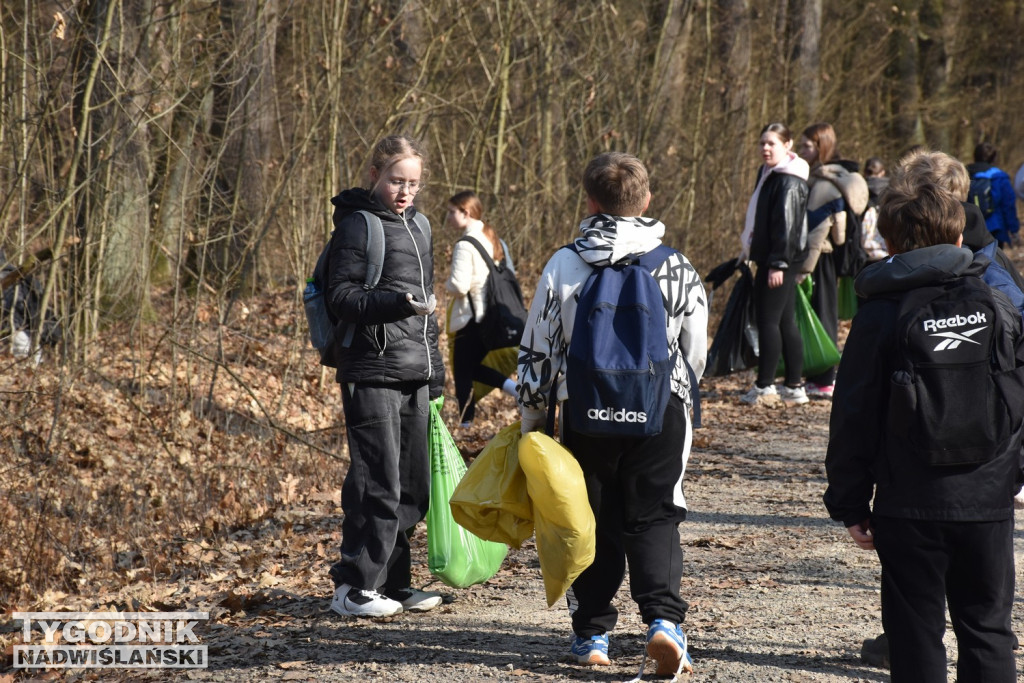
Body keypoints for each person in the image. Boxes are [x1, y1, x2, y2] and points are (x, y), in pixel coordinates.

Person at [824, 150, 1023, 682]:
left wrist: (848, 501)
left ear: (890, 245)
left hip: (907, 501)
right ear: (958, 238)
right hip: (986, 499)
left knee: (915, 636)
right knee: (988, 630)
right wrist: (1015, 473)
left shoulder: (879, 314)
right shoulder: (998, 303)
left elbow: (853, 413)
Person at [517, 152, 708, 675]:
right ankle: (664, 623)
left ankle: (592, 635)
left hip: (585, 412)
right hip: (660, 409)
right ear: (646, 201)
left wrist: (533, 422)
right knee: (656, 514)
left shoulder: (565, 264)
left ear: (590, 201)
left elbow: (537, 351)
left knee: (590, 519)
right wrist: (677, 394)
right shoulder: (675, 265)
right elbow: (695, 351)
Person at [324, 135, 446, 618]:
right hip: (371, 369)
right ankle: (353, 587)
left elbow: (429, 308)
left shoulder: (421, 225)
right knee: (376, 482)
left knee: (412, 486)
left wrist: (436, 375)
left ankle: (394, 584)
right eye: (397, 181)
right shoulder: (358, 224)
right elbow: (341, 297)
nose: (405, 192)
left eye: (413, 184)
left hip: (415, 370)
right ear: (375, 175)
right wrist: (396, 304)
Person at [738, 123, 810, 405]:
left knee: (767, 320)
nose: (765, 148)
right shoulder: (769, 173)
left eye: (772, 143)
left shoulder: (788, 180)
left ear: (787, 145)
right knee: (784, 320)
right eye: (762, 143)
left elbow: (787, 226)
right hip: (774, 258)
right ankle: (793, 386)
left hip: (779, 260)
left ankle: (765, 385)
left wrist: (778, 264)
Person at [795, 123, 869, 399]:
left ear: (822, 146)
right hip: (828, 259)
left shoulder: (824, 184)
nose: (801, 151)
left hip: (819, 259)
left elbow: (819, 233)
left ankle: (824, 377)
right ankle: (820, 376)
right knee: (824, 312)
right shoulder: (831, 178)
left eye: (807, 146)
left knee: (822, 314)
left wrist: (804, 268)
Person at [444, 191, 519, 427]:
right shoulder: (493, 237)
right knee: (471, 368)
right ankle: (514, 389)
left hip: (470, 317)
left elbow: (459, 285)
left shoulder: (465, 245)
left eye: (451, 212)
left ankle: (465, 426)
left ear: (466, 213)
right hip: (492, 316)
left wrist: (445, 284)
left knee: (463, 373)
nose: (448, 217)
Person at [965, 142, 1019, 247]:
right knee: (994, 255)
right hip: (995, 228)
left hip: (969, 229)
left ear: (975, 156)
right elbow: (1008, 205)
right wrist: (1013, 229)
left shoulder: (963, 174)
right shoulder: (999, 177)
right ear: (993, 158)